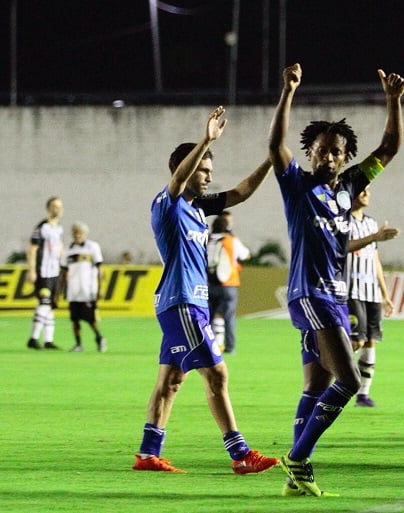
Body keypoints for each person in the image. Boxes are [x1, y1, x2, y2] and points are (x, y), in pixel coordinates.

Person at [269, 63, 404, 497]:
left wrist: (394, 100)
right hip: (311, 295)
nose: (327, 156)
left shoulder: (348, 188)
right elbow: (275, 146)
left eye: (335, 151)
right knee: (348, 380)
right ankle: (299, 456)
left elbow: (389, 147)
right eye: (321, 150)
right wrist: (289, 92)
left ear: (345, 157)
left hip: (332, 294)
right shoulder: (296, 185)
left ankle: (296, 473)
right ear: (310, 152)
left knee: (317, 384)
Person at [133, 106, 277, 475]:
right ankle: (241, 454)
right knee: (217, 375)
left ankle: (148, 454)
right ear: (186, 168)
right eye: (204, 170)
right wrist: (206, 140)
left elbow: (241, 193)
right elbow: (178, 181)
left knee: (170, 382)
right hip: (182, 302)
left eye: (211, 171)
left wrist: (271, 160)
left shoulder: (198, 209)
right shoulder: (168, 203)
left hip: (185, 303)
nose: (209, 177)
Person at [345, 185, 398, 407]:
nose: (366, 194)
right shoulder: (342, 222)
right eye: (362, 190)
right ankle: (331, 379)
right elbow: (342, 248)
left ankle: (363, 395)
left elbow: (375, 260)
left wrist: (385, 294)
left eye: (368, 190)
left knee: (370, 341)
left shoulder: (371, 223)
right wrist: (374, 237)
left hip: (371, 292)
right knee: (355, 341)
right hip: (351, 290)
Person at [207, 210, 251, 354]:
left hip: (209, 283)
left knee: (207, 318)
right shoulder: (231, 240)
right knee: (229, 317)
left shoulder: (206, 239)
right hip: (228, 285)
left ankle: (207, 346)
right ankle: (230, 347)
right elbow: (246, 255)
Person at [61, 221, 106, 352]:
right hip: (73, 291)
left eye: (80, 232)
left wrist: (100, 288)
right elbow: (63, 271)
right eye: (75, 232)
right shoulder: (68, 249)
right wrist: (61, 290)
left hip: (88, 290)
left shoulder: (92, 247)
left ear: (85, 234)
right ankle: (78, 344)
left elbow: (99, 269)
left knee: (90, 319)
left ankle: (99, 337)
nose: (77, 235)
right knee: (74, 320)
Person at [26, 197, 64, 350]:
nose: (58, 209)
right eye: (54, 207)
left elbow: (59, 248)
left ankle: (48, 340)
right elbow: (32, 249)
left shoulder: (59, 228)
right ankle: (33, 338)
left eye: (60, 207)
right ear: (48, 208)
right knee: (44, 303)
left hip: (55, 272)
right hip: (43, 272)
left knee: (51, 306)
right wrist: (32, 270)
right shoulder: (42, 227)